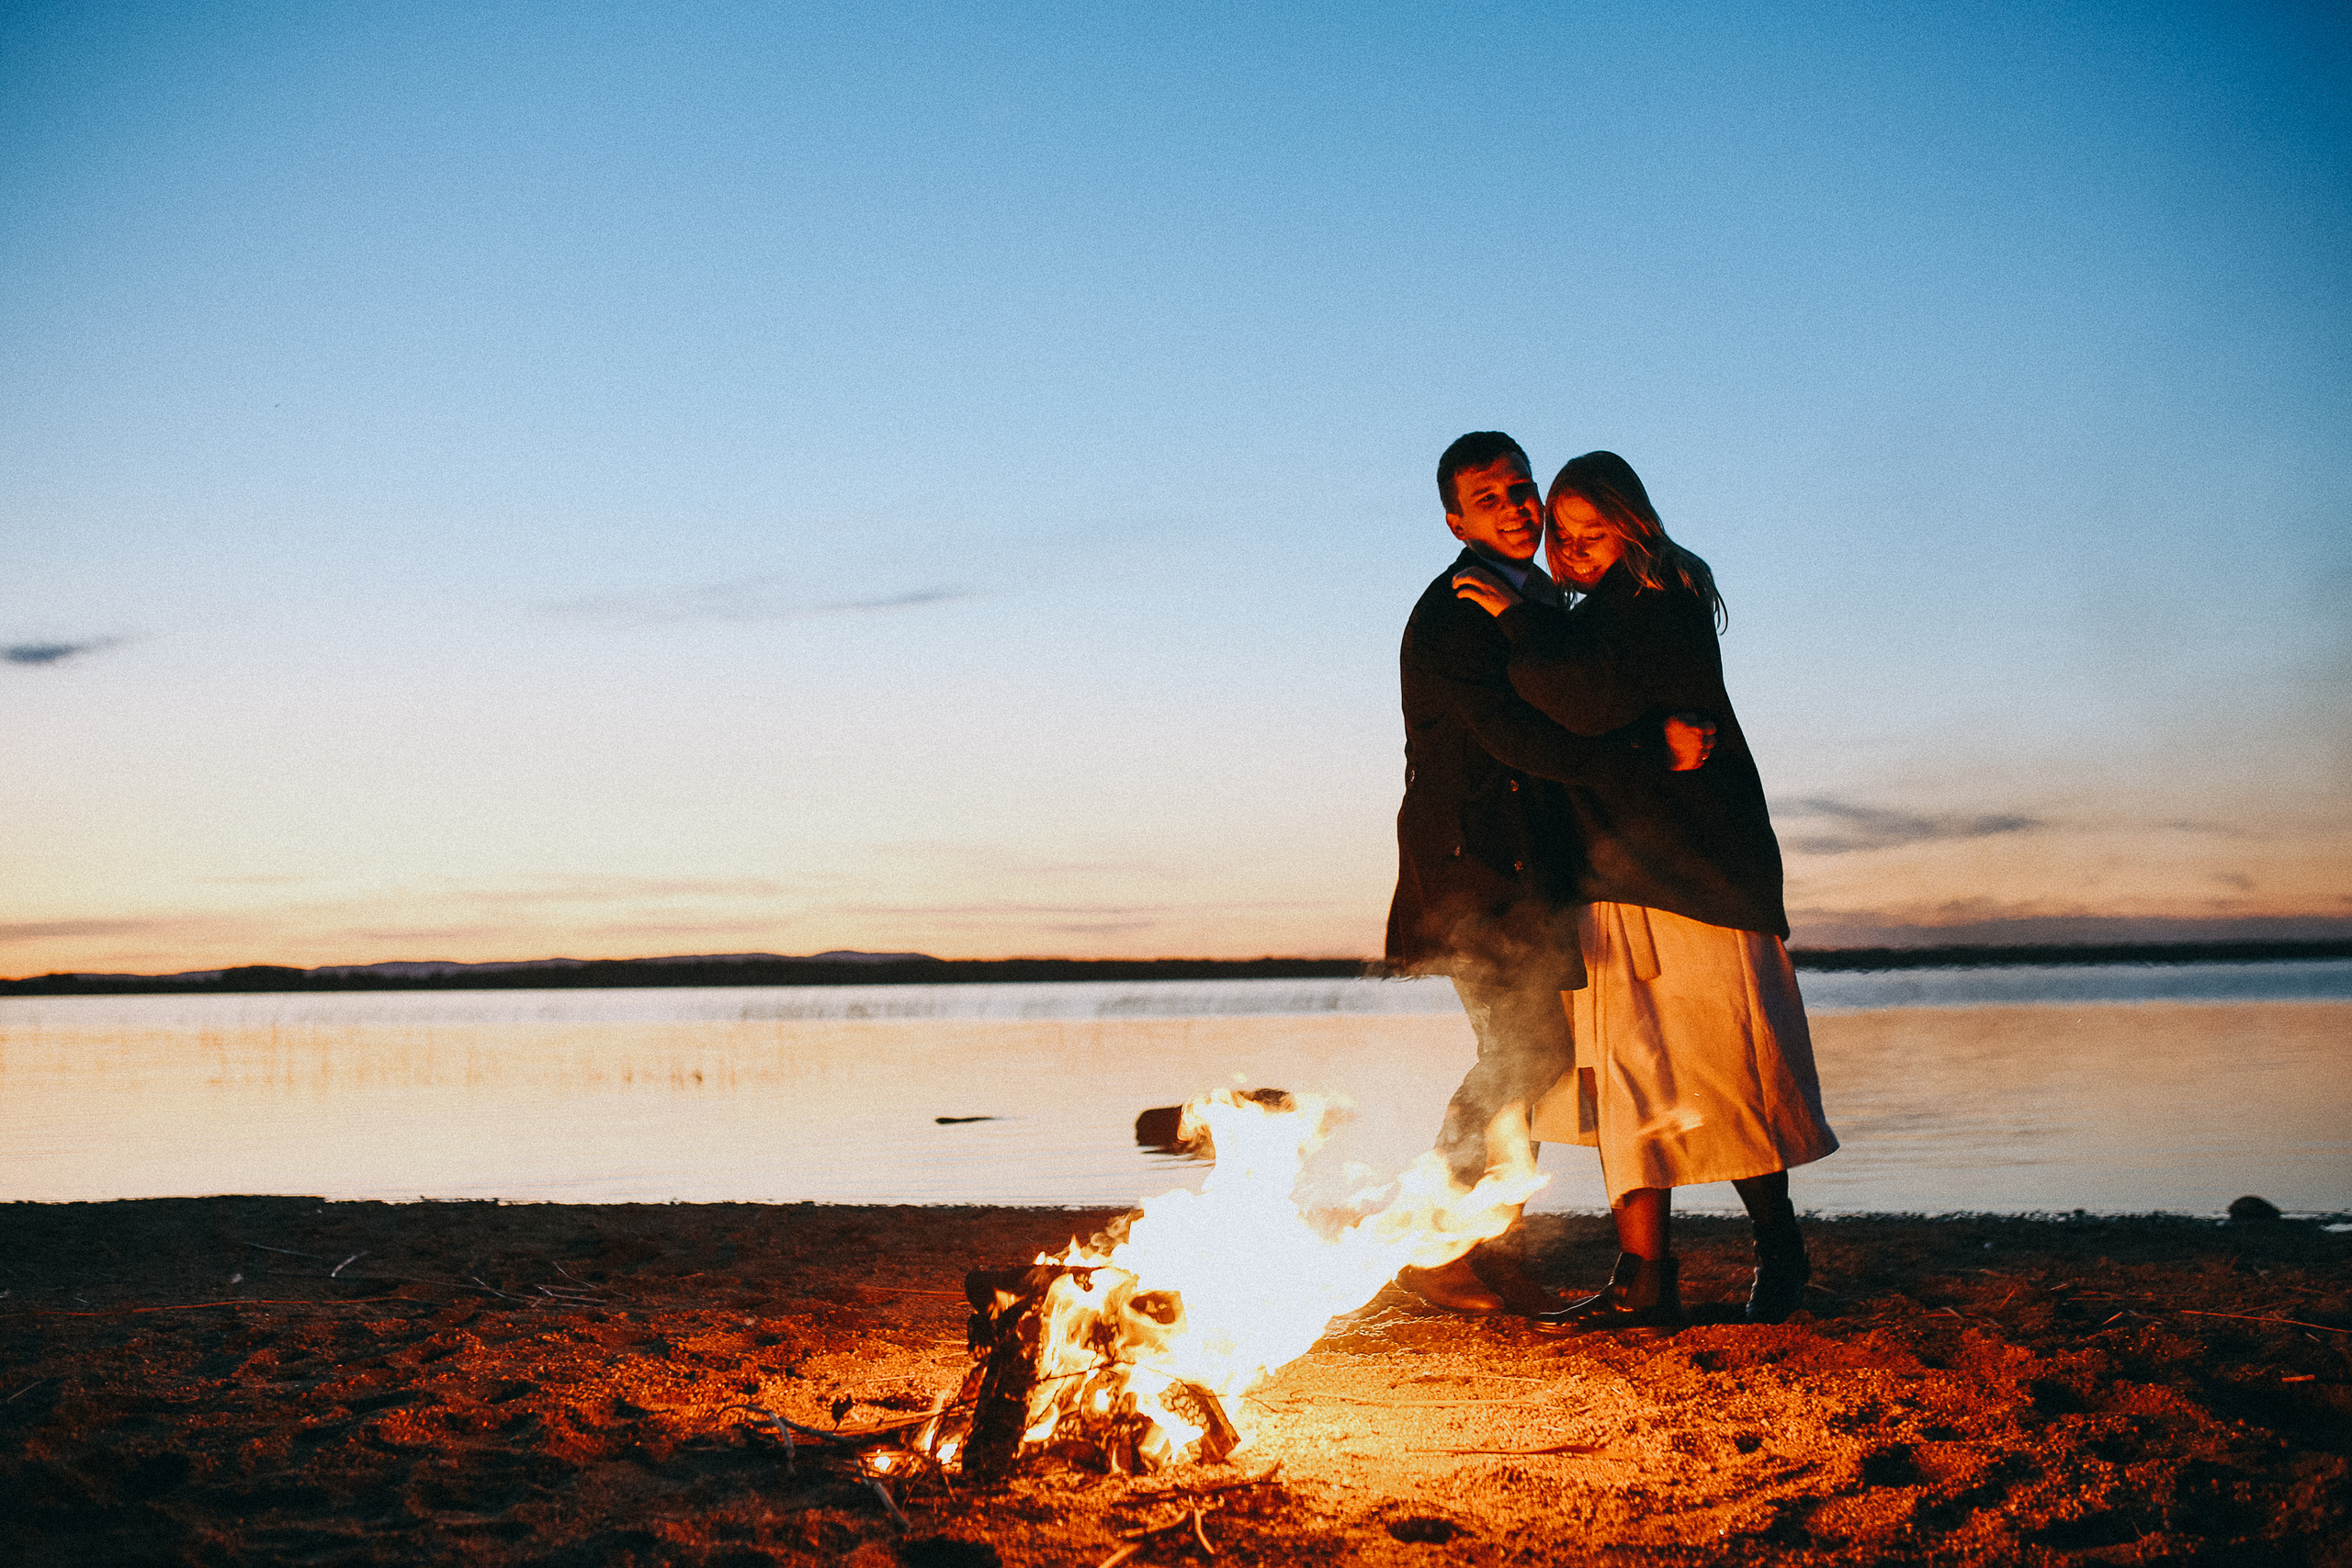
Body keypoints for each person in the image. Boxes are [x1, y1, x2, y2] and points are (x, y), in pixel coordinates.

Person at [1450, 450, 1837, 1330]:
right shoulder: (1592, 614)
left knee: (1726, 1070)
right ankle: (1642, 1276)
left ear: (1636, 529)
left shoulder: (1665, 603)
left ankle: (1780, 1248)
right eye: (1563, 532)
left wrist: (1515, 617)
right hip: (1613, 876)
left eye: (1596, 531)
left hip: (1699, 877)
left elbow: (1582, 699)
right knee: (1629, 1080)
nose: (1576, 549)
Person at [1385, 433, 1708, 1315]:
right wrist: (1653, 746)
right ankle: (1439, 1248)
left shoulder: (1529, 601)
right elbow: (1520, 739)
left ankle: (1481, 1247)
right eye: (1490, 498)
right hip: (1475, 879)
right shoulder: (1458, 612)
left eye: (1521, 487)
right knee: (1521, 1055)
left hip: (1526, 874)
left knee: (1526, 1061)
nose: (1519, 506)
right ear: (1455, 519)